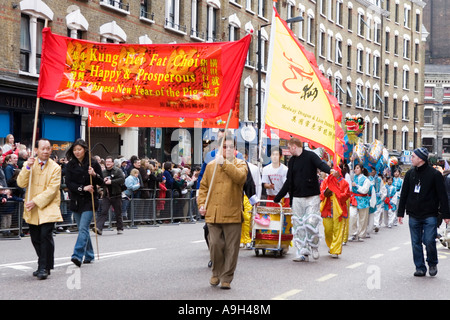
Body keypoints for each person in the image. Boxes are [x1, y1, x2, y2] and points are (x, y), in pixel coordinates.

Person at [198, 134, 248, 289]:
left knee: (231, 248)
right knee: (215, 244)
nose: (228, 149)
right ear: (218, 148)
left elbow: (240, 178)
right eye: (225, 146)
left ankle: (226, 277)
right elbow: (203, 187)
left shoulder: (240, 163)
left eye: (231, 147)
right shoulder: (211, 165)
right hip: (213, 212)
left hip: (232, 212)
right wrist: (201, 204)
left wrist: (225, 164)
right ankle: (216, 273)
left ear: (235, 149)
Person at [274, 137, 333, 262]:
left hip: (312, 196)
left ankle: (313, 246)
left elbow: (321, 165)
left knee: (311, 222)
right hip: (297, 198)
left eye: (289, 148)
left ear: (294, 146)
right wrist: (278, 197)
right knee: (298, 225)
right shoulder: (292, 162)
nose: (288, 151)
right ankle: (302, 251)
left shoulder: (311, 156)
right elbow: (288, 181)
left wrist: (330, 171)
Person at [398, 147, 450, 277]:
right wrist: (400, 213)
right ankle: (420, 267)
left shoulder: (435, 174)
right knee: (416, 242)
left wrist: (446, 215)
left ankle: (432, 262)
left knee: (429, 240)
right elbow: (404, 193)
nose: (411, 159)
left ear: (420, 159)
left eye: (413, 157)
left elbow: (442, 196)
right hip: (414, 214)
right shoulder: (410, 174)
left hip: (430, 214)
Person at [17, 138, 63, 280]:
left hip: (48, 206)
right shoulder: (29, 164)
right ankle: (44, 264)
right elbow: (20, 183)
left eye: (48, 148)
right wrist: (27, 168)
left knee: (45, 236)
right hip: (32, 207)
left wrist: (36, 201)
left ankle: (43, 267)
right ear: (36, 150)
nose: (46, 151)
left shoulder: (56, 167)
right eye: (42, 148)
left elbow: (52, 190)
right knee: (35, 238)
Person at [65, 139, 103, 267]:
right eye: (75, 150)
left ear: (85, 149)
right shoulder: (70, 165)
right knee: (84, 229)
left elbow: (101, 181)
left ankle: (77, 255)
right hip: (76, 201)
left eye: (79, 149)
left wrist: (94, 174)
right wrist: (82, 188)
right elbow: (69, 184)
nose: (77, 152)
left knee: (82, 228)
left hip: (89, 200)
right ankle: (90, 254)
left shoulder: (93, 163)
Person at [319, 165, 350, 258]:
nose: (333, 171)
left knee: (338, 230)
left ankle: (335, 250)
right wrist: (326, 192)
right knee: (327, 230)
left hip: (339, 210)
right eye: (332, 169)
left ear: (339, 171)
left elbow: (346, 194)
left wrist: (336, 193)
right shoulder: (326, 181)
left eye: (336, 170)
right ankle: (331, 245)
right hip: (327, 209)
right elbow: (321, 192)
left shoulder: (344, 183)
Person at [95, 155, 125, 235]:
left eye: (109, 162)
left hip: (116, 194)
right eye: (106, 162)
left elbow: (122, 180)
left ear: (112, 163)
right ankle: (98, 228)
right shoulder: (103, 172)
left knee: (118, 212)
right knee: (103, 211)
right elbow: (100, 182)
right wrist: (103, 181)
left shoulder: (117, 171)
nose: (107, 163)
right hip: (106, 195)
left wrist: (111, 182)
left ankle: (120, 228)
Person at [348, 164, 371, 242]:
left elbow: (365, 190)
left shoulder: (366, 180)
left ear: (362, 169)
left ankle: (361, 234)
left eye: (357, 168)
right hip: (354, 199)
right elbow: (349, 169)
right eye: (355, 168)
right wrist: (351, 161)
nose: (355, 170)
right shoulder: (352, 177)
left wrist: (357, 186)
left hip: (363, 199)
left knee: (363, 218)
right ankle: (352, 233)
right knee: (352, 215)